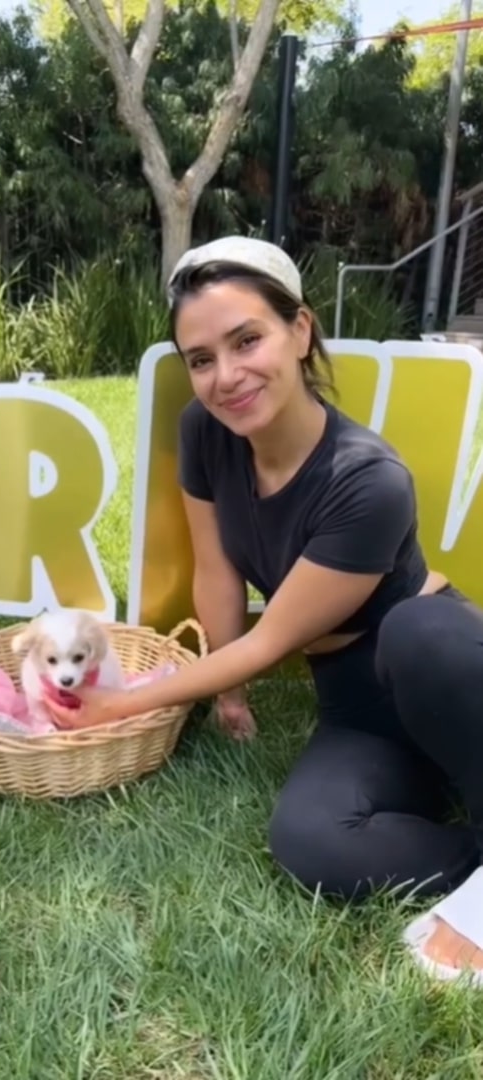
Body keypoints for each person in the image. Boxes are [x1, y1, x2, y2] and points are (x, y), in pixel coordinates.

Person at [47, 236, 483, 985]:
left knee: (417, 630)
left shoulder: (369, 480)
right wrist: (229, 695)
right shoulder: (206, 435)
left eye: (247, 339)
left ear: (301, 330)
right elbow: (218, 574)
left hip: (440, 666)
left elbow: (270, 638)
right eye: (202, 357)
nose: (226, 376)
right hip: (356, 701)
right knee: (308, 841)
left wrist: (117, 706)